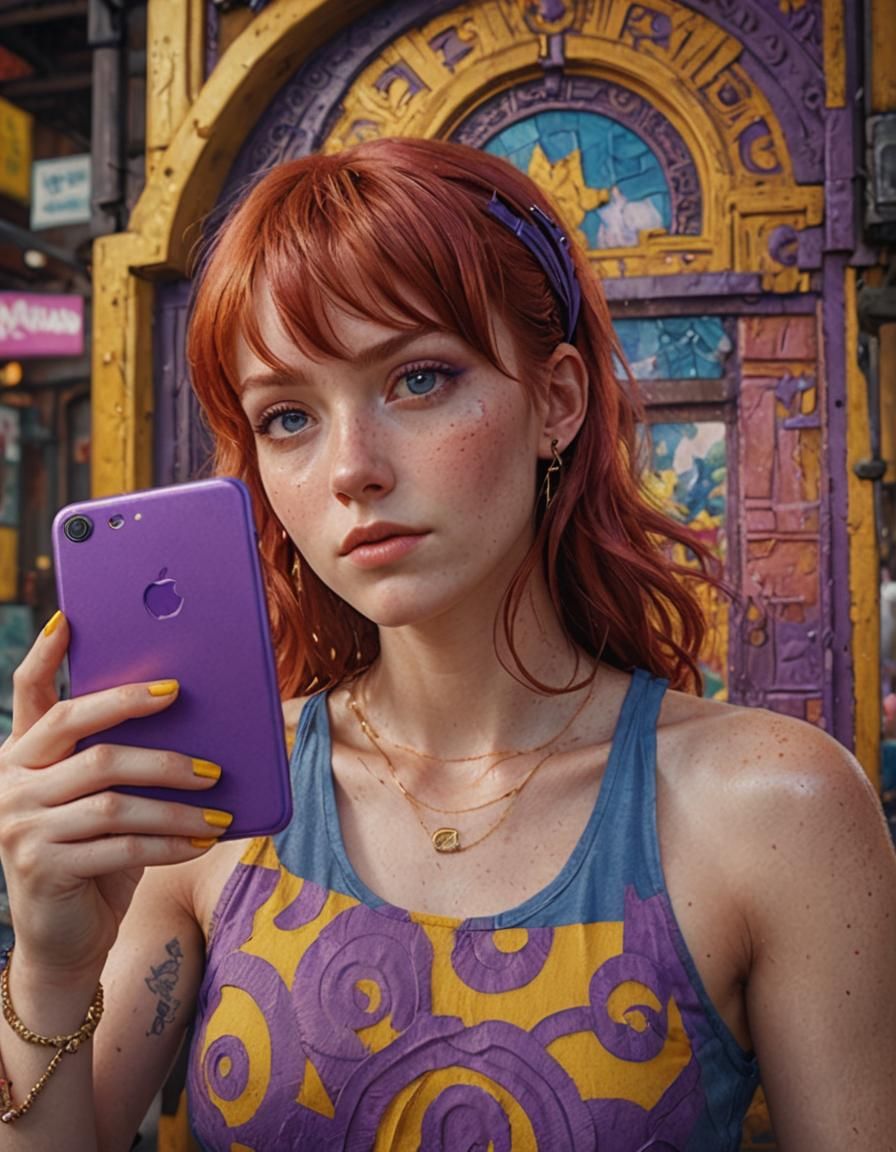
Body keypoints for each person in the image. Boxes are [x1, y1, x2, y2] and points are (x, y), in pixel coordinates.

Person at [0, 137, 894, 1152]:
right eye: (287, 416)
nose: (352, 468)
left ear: (557, 402)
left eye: (418, 378)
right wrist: (52, 968)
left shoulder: (773, 810)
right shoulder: (208, 800)